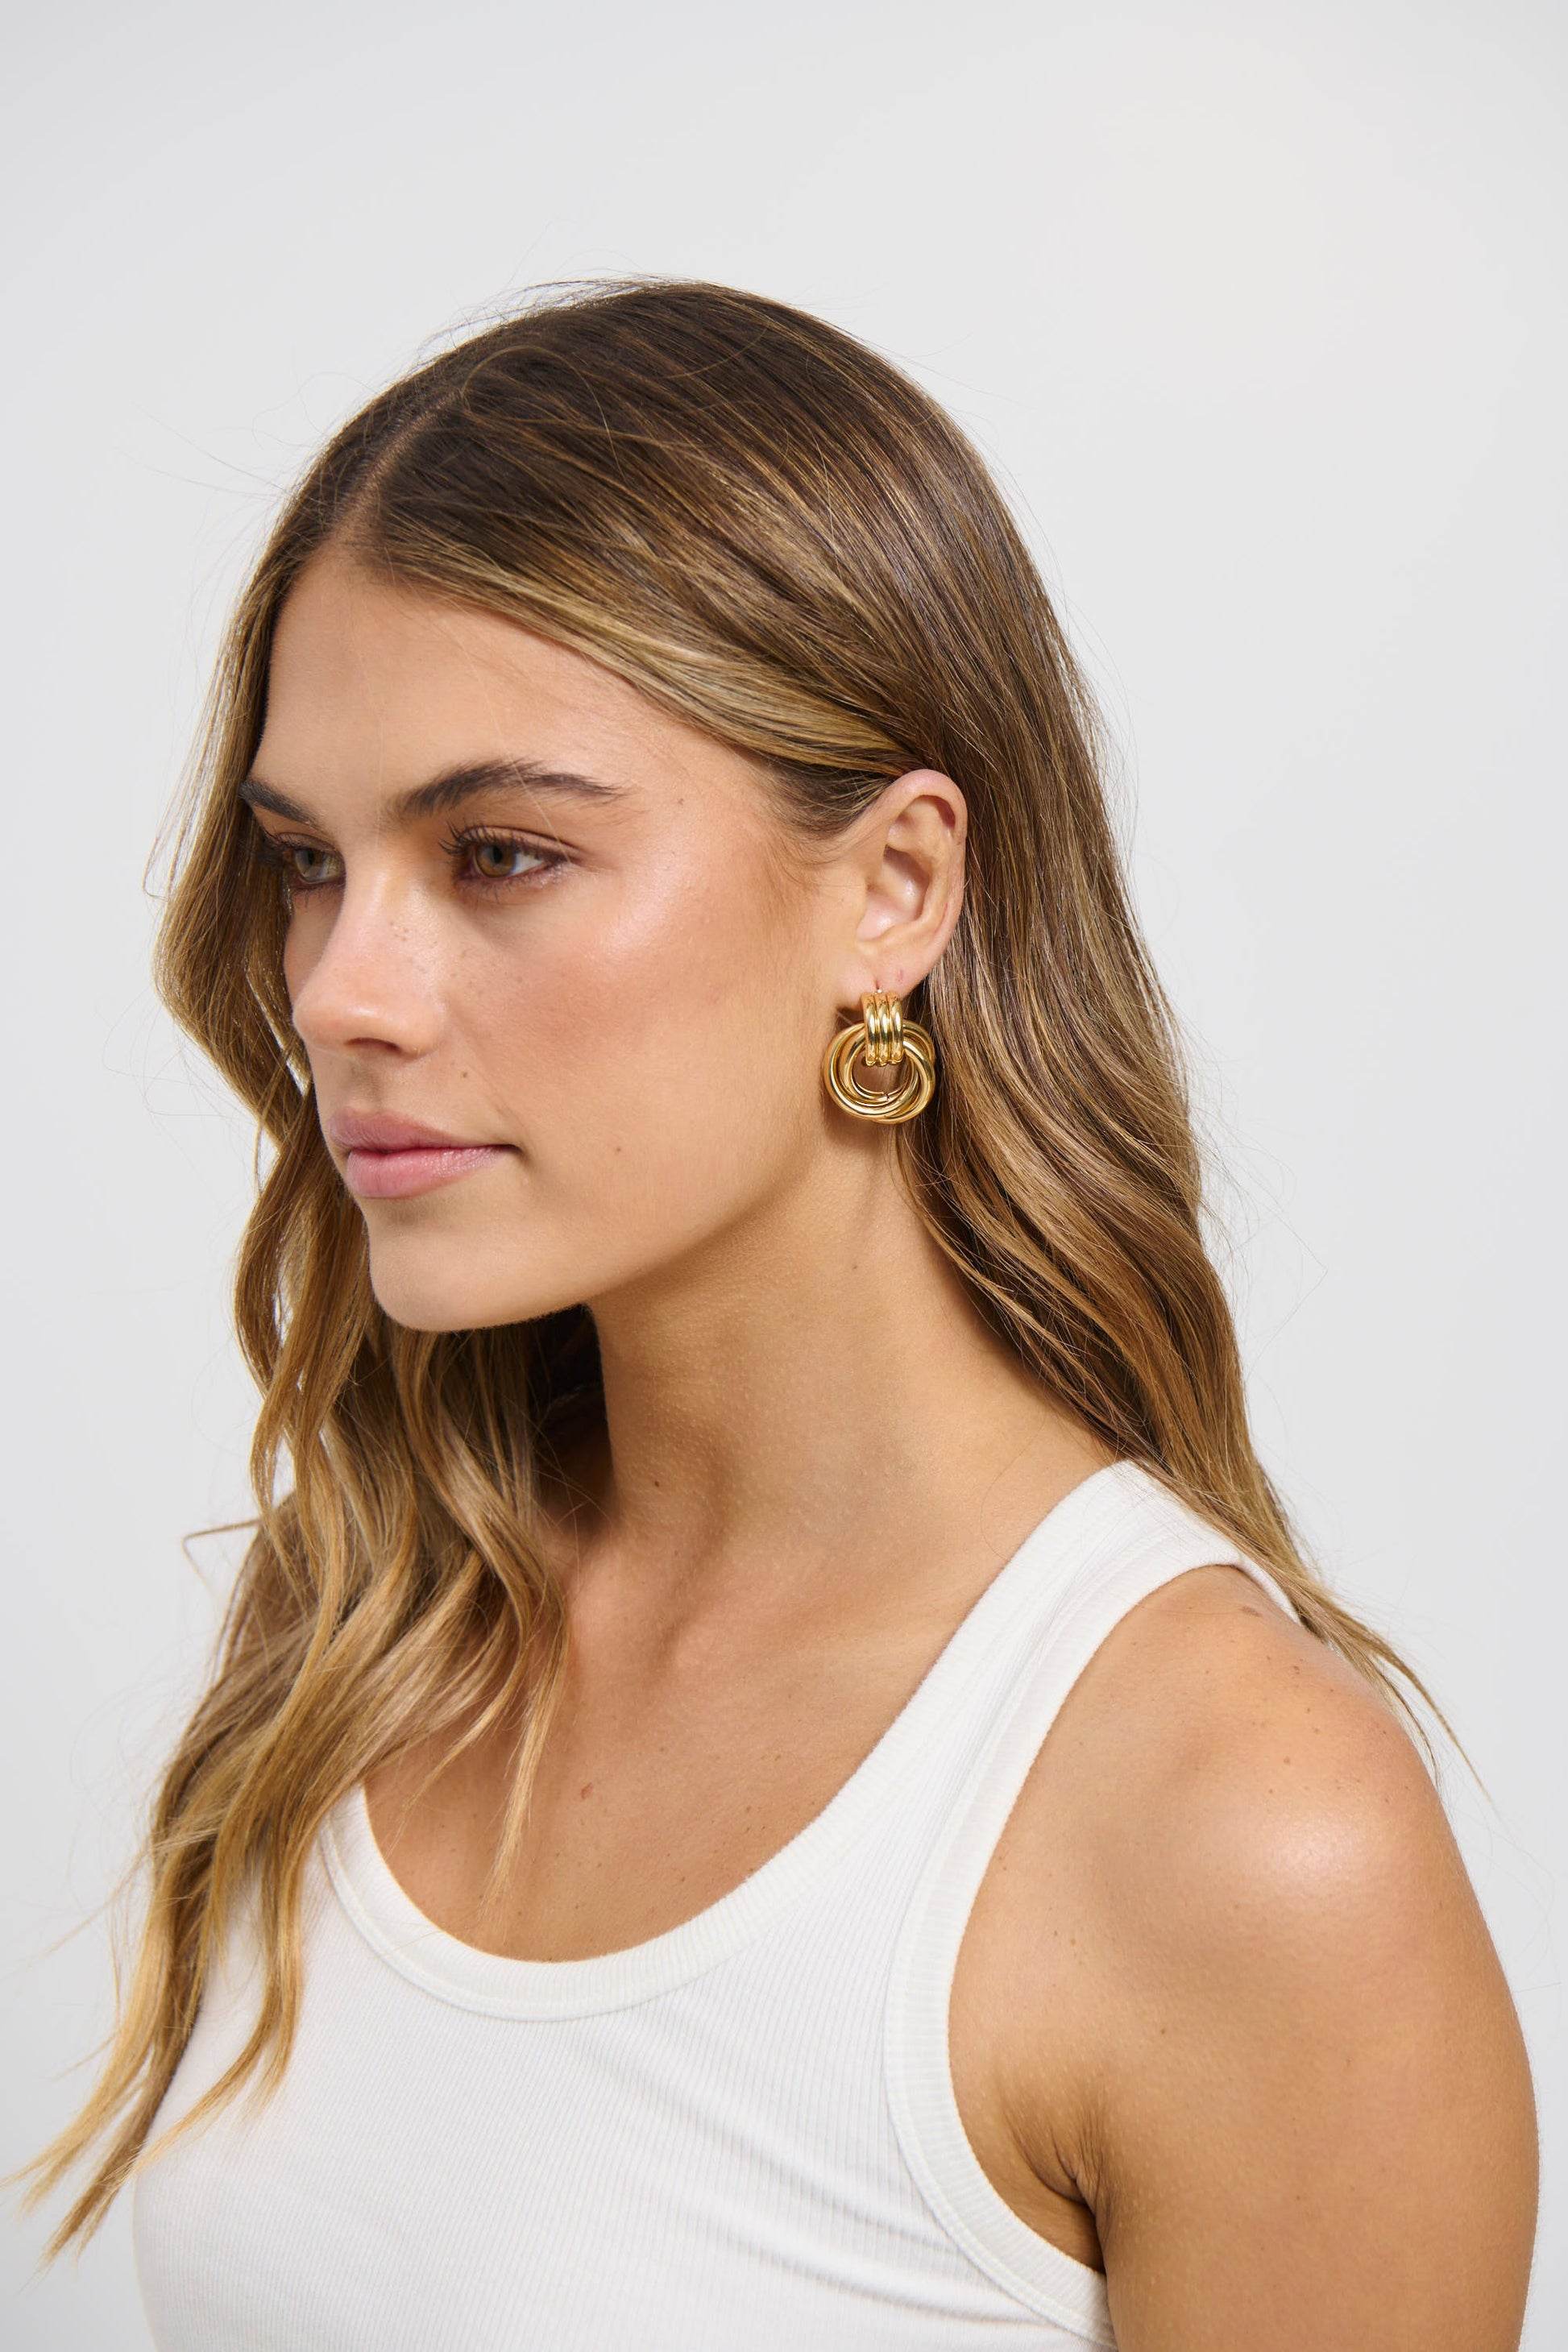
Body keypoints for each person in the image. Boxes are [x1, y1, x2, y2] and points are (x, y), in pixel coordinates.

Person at [27, 280, 1537, 2348]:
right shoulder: (376, 1606)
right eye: (308, 861)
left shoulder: (1235, 1826)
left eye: (498, 852)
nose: (341, 991)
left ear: (893, 888)